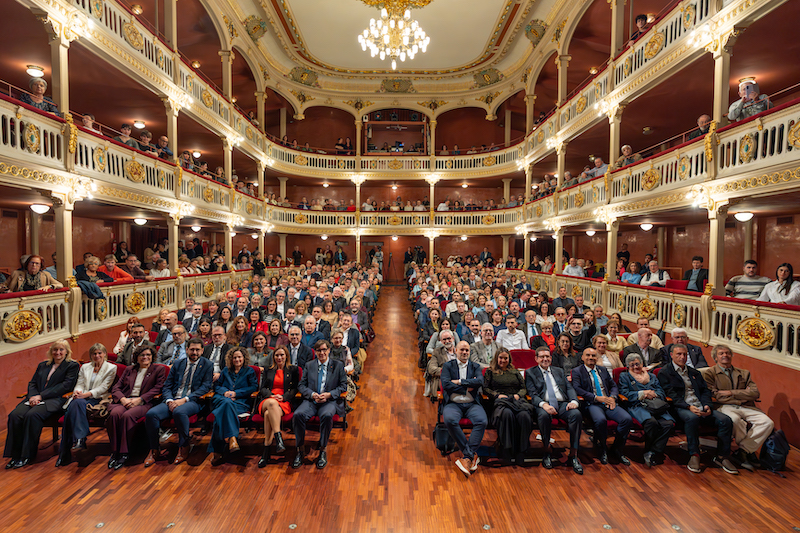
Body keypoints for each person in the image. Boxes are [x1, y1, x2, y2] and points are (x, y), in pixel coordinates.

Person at [657, 344, 737, 474]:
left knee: (725, 420)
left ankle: (722, 456)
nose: (682, 357)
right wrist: (689, 407)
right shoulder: (665, 372)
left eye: (684, 354)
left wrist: (707, 406)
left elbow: (705, 391)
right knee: (692, 418)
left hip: (700, 406)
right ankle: (694, 454)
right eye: (679, 354)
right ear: (671, 355)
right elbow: (671, 395)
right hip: (680, 408)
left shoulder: (694, 372)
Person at [4, 340, 79, 469]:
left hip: (56, 400)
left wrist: (41, 396)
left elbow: (66, 386)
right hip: (35, 398)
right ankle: (14, 455)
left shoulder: (72, 366)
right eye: (55, 350)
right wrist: (33, 396)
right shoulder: (43, 365)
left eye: (61, 349)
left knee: (32, 415)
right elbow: (32, 383)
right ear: (51, 351)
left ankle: (27, 455)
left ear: (67, 351)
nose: (58, 352)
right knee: (15, 415)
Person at [702, 344, 774, 471]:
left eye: (727, 353)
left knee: (767, 422)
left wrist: (730, 392)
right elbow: (714, 395)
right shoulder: (709, 373)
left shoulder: (744, 373)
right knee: (735, 420)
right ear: (715, 357)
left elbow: (755, 393)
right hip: (724, 407)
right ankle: (746, 453)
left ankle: (743, 450)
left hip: (745, 407)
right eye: (721, 353)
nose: (725, 355)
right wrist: (742, 394)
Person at [144, 338, 213, 466]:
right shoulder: (178, 363)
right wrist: (169, 400)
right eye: (192, 349)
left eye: (198, 350)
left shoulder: (207, 364)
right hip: (173, 399)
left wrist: (184, 400)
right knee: (151, 414)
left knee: (179, 412)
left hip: (193, 401)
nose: (195, 352)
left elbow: (205, 387)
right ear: (186, 350)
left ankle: (184, 446)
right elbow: (167, 385)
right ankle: (154, 449)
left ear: (202, 350)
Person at [55, 343, 117, 466]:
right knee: (76, 403)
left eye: (100, 353)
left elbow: (104, 388)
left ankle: (65, 453)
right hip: (82, 399)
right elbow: (80, 383)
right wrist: (78, 392)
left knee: (69, 414)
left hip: (98, 399)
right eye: (94, 353)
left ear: (104, 354)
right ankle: (80, 438)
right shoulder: (85, 367)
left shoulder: (111, 368)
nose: (97, 355)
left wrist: (85, 395)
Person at [105, 345, 166, 469]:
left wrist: (140, 399)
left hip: (144, 403)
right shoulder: (129, 369)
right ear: (136, 357)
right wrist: (123, 399)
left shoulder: (158, 370)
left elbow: (158, 388)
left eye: (148, 355)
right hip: (125, 400)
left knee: (128, 415)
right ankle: (115, 452)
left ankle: (125, 452)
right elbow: (116, 387)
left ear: (152, 356)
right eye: (142, 355)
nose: (145, 357)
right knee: (114, 414)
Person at [526, 347, 583, 474]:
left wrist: (574, 401)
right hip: (544, 404)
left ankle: (573, 454)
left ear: (551, 359)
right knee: (544, 416)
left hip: (562, 403)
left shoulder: (559, 371)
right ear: (536, 359)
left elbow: (569, 388)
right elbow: (532, 394)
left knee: (576, 415)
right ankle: (547, 450)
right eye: (542, 357)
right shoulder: (530, 372)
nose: (545, 359)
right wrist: (543, 404)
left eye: (547, 356)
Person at [571, 347, 632, 466]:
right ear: (582, 357)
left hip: (608, 401)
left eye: (593, 356)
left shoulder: (603, 370)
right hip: (592, 403)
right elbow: (577, 389)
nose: (591, 358)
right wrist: (596, 397)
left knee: (626, 419)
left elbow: (613, 386)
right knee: (600, 420)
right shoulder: (577, 371)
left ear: (597, 358)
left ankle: (616, 449)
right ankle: (602, 449)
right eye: (587, 355)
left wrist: (613, 397)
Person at [292, 340, 347, 469]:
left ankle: (322, 450)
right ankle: (300, 450)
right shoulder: (309, 365)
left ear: (329, 350)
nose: (322, 353)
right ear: (315, 352)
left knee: (327, 415)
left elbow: (343, 386)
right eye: (318, 350)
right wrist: (312, 394)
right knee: (298, 415)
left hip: (329, 401)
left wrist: (329, 394)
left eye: (324, 350)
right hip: (311, 400)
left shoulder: (338, 365)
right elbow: (301, 385)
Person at [618, 353, 675, 467]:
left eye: (637, 364)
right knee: (651, 422)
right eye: (632, 365)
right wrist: (643, 393)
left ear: (642, 364)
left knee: (668, 424)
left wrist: (653, 394)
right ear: (628, 366)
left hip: (656, 405)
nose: (635, 367)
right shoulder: (625, 377)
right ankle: (648, 450)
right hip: (637, 405)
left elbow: (661, 391)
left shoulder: (652, 376)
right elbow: (625, 394)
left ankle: (654, 451)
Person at [442, 341, 487, 477]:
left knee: (482, 421)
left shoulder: (475, 366)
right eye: (462, 350)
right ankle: (470, 455)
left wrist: (459, 382)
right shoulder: (448, 366)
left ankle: (466, 457)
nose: (464, 352)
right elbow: (446, 385)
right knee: (449, 420)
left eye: (467, 350)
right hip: (453, 403)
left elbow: (479, 381)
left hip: (472, 403)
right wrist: (468, 385)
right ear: (456, 350)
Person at [208, 347, 258, 466]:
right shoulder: (226, 370)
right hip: (222, 399)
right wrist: (225, 392)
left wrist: (236, 393)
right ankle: (232, 438)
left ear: (244, 358)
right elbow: (217, 386)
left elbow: (253, 387)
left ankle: (218, 452)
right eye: (235, 357)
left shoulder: (249, 371)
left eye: (239, 357)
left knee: (221, 414)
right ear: (231, 359)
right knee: (226, 403)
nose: (237, 359)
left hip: (240, 402)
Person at [483, 350, 533, 464]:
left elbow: (523, 388)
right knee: (507, 414)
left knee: (524, 416)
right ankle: (506, 449)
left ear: (509, 359)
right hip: (501, 402)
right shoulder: (490, 371)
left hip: (516, 400)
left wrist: (518, 395)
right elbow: (486, 388)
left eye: (506, 358)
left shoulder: (514, 371)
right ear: (496, 358)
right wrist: (497, 395)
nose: (503, 360)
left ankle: (522, 450)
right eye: (501, 358)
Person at [257, 346, 299, 467]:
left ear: (286, 356)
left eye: (282, 355)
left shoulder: (293, 370)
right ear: (273, 357)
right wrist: (271, 395)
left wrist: (284, 397)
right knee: (271, 403)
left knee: (268, 415)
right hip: (268, 400)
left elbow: (295, 388)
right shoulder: (268, 370)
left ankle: (266, 451)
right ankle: (278, 436)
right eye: (277, 355)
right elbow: (262, 388)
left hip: (283, 401)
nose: (279, 357)